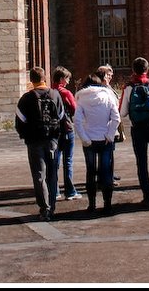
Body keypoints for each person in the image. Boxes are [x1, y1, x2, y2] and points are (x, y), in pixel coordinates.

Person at [15, 67, 65, 221]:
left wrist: (26, 137)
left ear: (31, 80)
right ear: (45, 78)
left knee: (39, 175)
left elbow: (19, 122)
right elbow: (62, 116)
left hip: (34, 141)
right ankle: (52, 206)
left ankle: (45, 208)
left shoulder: (26, 98)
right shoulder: (55, 95)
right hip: (52, 141)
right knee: (52, 173)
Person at [119, 56, 149, 208]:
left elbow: (122, 112)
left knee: (141, 162)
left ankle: (147, 196)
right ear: (147, 69)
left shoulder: (128, 87)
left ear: (133, 70)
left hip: (137, 128)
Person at [74, 72, 120, 214]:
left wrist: (84, 138)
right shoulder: (107, 96)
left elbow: (77, 121)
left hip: (90, 140)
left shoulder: (81, 99)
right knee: (106, 172)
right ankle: (107, 204)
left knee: (91, 172)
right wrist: (110, 134)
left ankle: (92, 204)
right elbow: (116, 118)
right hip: (105, 139)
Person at [51, 66, 82, 201]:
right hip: (67, 129)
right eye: (67, 78)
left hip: (53, 131)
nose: (68, 81)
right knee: (67, 162)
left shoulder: (50, 92)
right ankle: (69, 191)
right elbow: (75, 110)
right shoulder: (65, 93)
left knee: (54, 162)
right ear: (62, 79)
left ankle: (55, 190)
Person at [97, 65, 122, 186]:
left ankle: (109, 174)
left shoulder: (107, 87)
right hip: (106, 125)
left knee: (110, 152)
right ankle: (106, 178)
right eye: (108, 75)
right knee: (106, 153)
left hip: (110, 123)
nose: (110, 78)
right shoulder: (102, 89)